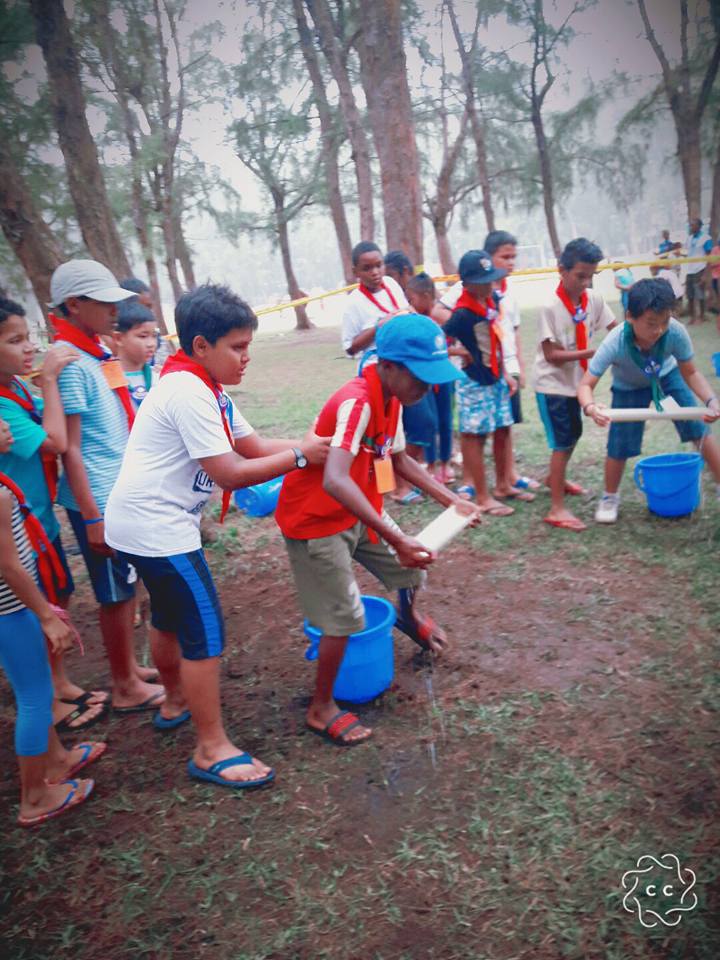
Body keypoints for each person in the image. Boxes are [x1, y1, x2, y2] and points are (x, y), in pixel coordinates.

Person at [104, 283, 330, 788]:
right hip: (157, 528)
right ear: (201, 345)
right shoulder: (187, 392)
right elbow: (229, 472)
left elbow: (253, 445)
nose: (246, 358)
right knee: (204, 631)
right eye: (238, 347)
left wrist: (315, 445)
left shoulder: (205, 388)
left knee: (166, 616)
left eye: (248, 345)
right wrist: (300, 458)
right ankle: (211, 748)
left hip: (141, 524)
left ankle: (175, 700)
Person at [276, 313, 481, 747]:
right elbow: (334, 479)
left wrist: (450, 499)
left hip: (357, 509)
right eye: (420, 377)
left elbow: (399, 458)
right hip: (317, 523)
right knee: (342, 619)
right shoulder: (358, 401)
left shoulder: (393, 399)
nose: (427, 388)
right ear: (386, 365)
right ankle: (321, 707)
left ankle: (406, 616)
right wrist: (394, 537)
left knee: (413, 567)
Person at [49, 259, 165, 712]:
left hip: (116, 489)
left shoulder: (97, 354)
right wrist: (93, 514)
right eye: (103, 303)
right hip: (97, 496)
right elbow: (71, 448)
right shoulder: (73, 362)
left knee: (127, 585)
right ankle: (124, 684)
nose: (114, 311)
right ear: (75, 305)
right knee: (115, 593)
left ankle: (131, 670)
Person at [0, 297, 109, 733]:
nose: (28, 348)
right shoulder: (6, 403)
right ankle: (46, 698)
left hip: (41, 520)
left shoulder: (16, 387)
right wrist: (49, 380)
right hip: (18, 532)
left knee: (57, 599)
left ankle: (60, 683)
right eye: (15, 340)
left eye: (29, 337)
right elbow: (58, 442)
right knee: (36, 610)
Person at [0, 464, 104, 827]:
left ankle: (56, 760)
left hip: (13, 608)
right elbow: (9, 566)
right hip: (10, 610)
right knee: (34, 698)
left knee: (35, 688)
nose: (5, 425)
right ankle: (35, 796)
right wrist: (44, 614)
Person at [578, 278, 720, 523]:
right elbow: (585, 385)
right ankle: (610, 497)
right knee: (619, 444)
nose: (658, 330)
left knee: (700, 430)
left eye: (664, 321)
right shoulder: (615, 341)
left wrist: (710, 400)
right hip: (628, 387)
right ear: (630, 316)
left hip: (667, 376)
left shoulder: (674, 332)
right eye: (651, 323)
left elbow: (690, 372)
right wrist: (590, 406)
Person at [533, 237, 617, 532]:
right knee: (562, 442)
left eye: (591, 276)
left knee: (573, 434)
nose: (585, 282)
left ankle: (555, 479)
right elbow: (551, 355)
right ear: (561, 270)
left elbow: (614, 329)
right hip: (552, 385)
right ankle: (556, 508)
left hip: (577, 385)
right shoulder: (550, 305)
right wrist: (594, 353)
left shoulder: (592, 299)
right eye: (580, 276)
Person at [442, 250, 517, 516]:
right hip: (473, 382)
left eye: (491, 279)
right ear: (466, 283)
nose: (489, 285)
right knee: (474, 437)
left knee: (503, 429)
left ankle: (502, 485)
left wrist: (506, 373)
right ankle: (483, 497)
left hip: (496, 377)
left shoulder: (492, 300)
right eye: (482, 281)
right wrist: (461, 352)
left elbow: (496, 339)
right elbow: (440, 341)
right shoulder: (462, 313)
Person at [406, 273, 455, 485]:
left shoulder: (439, 318)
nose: (410, 304)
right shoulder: (414, 320)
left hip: (444, 377)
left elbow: (448, 347)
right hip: (425, 379)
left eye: (412, 299)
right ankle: (431, 464)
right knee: (432, 421)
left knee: (445, 420)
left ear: (426, 296)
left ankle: (445, 463)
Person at [341, 242, 408, 366]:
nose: (375, 272)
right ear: (355, 272)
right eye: (367, 268)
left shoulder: (391, 284)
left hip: (404, 357)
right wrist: (379, 327)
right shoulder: (353, 302)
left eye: (379, 265)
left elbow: (405, 310)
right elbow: (350, 349)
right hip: (375, 365)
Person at [113, 300, 158, 410]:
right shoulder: (107, 378)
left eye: (154, 336)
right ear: (119, 338)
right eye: (143, 336)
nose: (151, 344)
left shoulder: (158, 377)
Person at [684, 219, 713, 324]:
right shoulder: (689, 238)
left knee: (700, 294)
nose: (691, 227)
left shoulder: (706, 238)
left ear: (699, 226)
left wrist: (705, 274)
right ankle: (692, 317)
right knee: (690, 294)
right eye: (690, 225)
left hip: (700, 269)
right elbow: (688, 253)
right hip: (689, 270)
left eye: (693, 225)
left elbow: (709, 257)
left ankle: (702, 316)